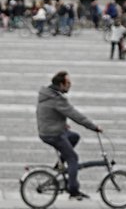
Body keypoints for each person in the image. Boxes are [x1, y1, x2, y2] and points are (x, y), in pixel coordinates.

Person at [36, 71, 102, 200]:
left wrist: (61, 123)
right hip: (53, 134)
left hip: (48, 130)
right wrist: (93, 127)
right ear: (61, 84)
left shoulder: (48, 94)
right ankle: (73, 190)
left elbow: (48, 113)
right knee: (73, 158)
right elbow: (75, 115)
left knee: (74, 136)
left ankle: (60, 163)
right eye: (68, 83)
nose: (70, 86)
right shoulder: (57, 99)